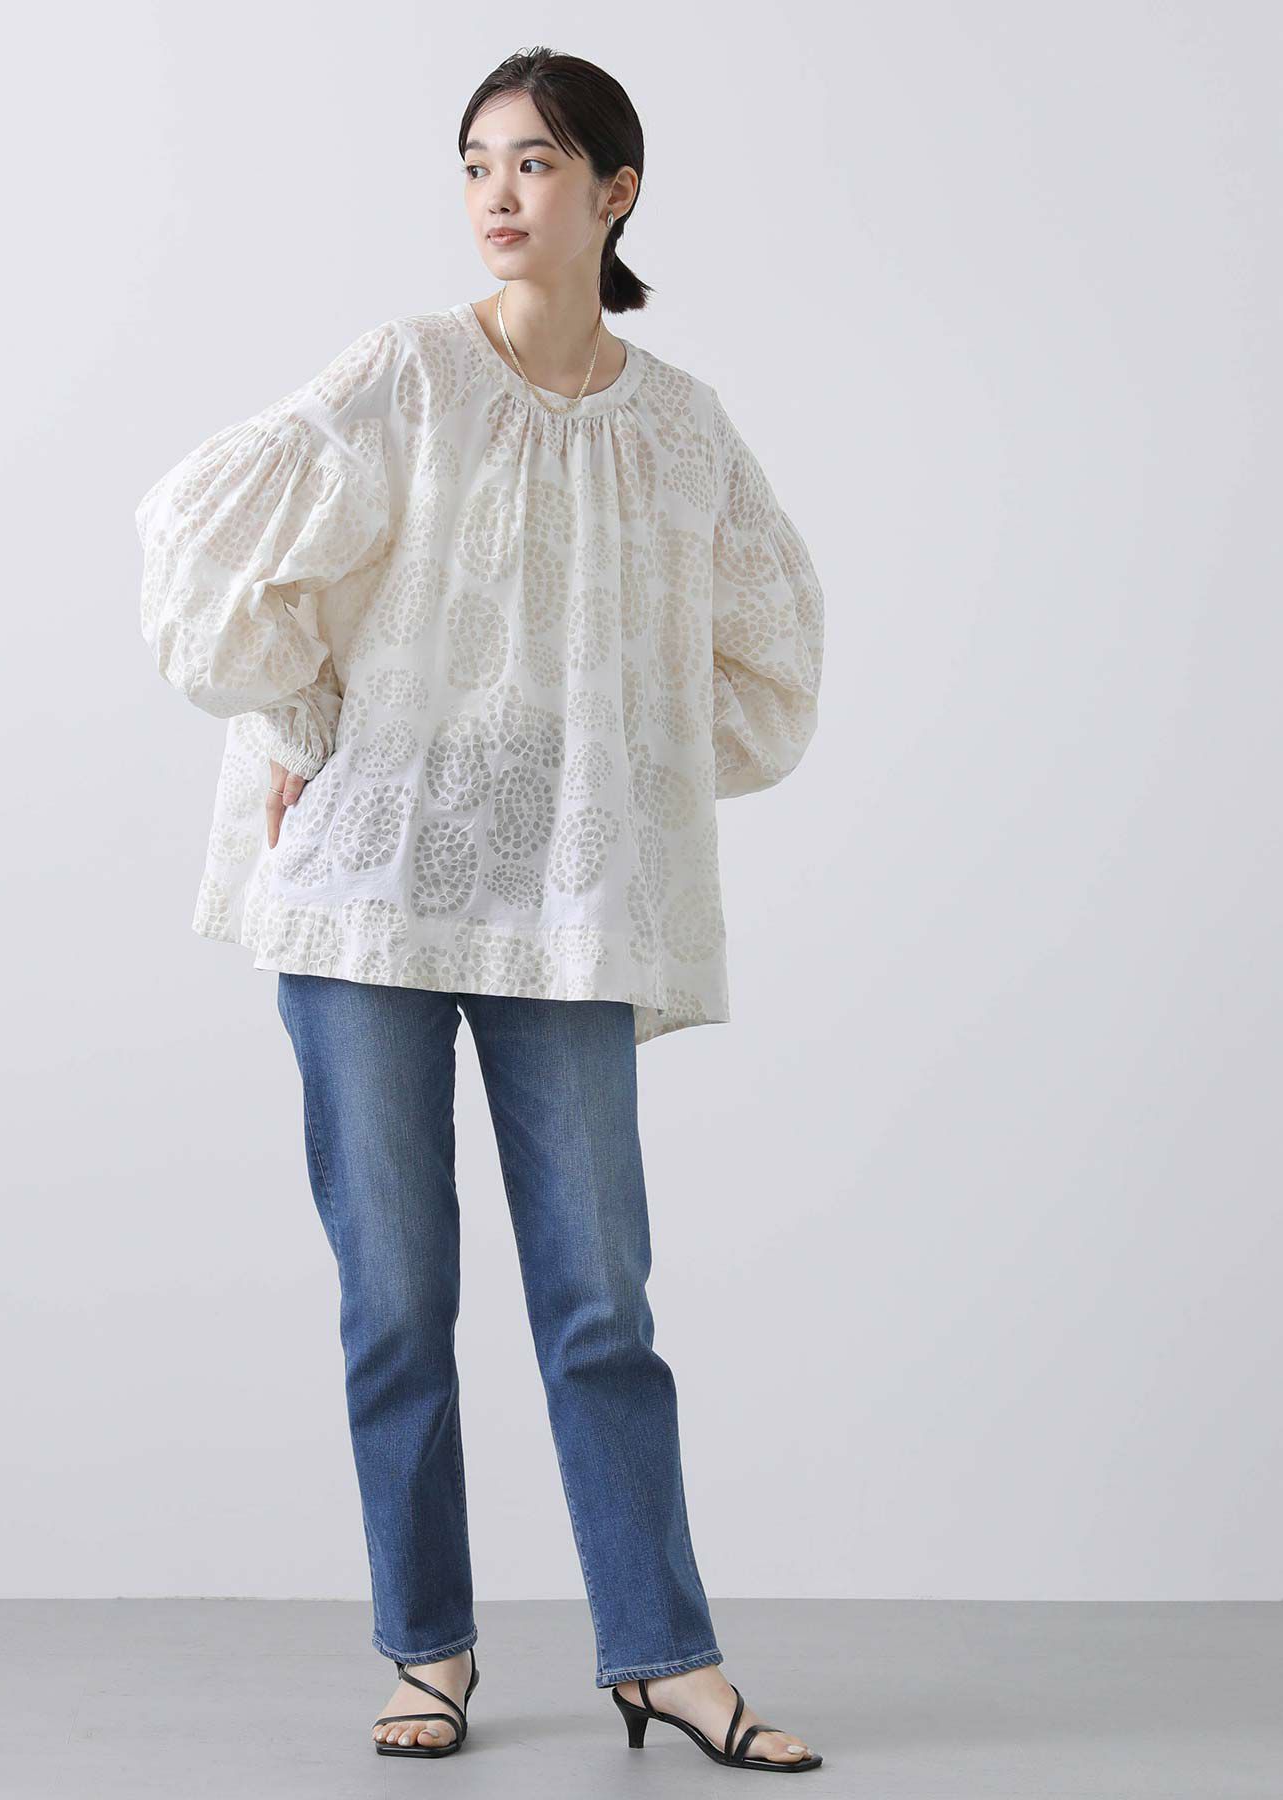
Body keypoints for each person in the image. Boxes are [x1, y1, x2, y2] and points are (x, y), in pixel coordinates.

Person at [135, 47, 825, 1773]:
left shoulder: (682, 429)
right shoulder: (410, 374)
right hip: (365, 899)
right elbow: (211, 537)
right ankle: (427, 1649)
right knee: (397, 1298)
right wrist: (299, 724)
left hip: (562, 910)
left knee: (600, 1300)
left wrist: (613, 774)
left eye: (533, 161)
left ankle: (662, 1655)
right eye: (473, 164)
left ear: (616, 191)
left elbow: (768, 661)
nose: (497, 194)